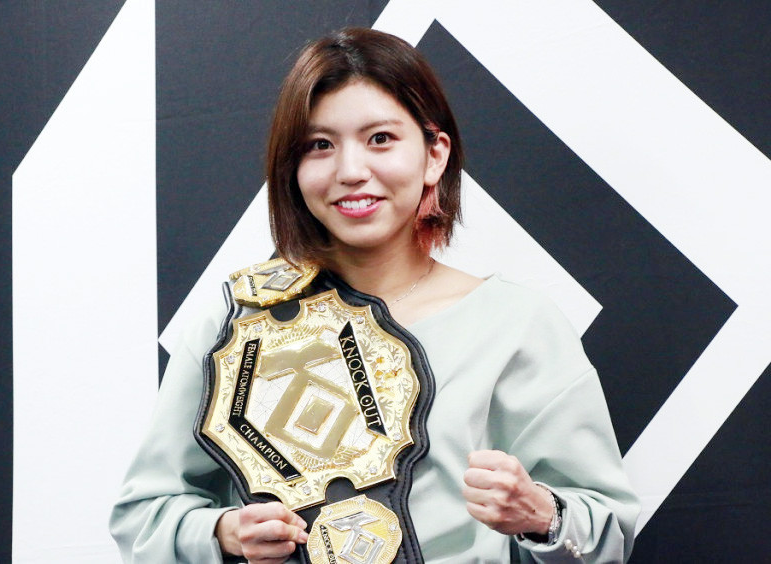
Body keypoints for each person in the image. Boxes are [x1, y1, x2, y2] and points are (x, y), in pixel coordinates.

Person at [110, 27, 639, 563]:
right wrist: (223, 533)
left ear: (434, 155)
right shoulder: (239, 322)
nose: (351, 171)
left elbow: (607, 536)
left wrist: (542, 516)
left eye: (380, 139)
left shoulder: (516, 323)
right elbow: (142, 517)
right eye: (319, 145)